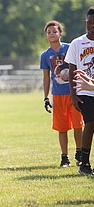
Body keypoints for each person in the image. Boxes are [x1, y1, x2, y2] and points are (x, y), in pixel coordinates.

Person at [40, 20, 83, 168]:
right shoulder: (45, 55)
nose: (52, 34)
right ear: (46, 36)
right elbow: (46, 77)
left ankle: (80, 153)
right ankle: (64, 157)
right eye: (49, 32)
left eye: (54, 31)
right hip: (58, 95)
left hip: (74, 92)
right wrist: (46, 97)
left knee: (78, 125)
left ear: (60, 33)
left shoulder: (70, 48)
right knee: (62, 127)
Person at [65, 6, 94, 175]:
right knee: (90, 122)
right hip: (84, 91)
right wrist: (73, 95)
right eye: (89, 22)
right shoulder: (77, 43)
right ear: (85, 23)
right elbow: (71, 70)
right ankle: (84, 164)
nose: (92, 25)